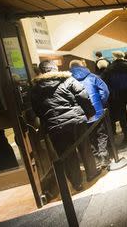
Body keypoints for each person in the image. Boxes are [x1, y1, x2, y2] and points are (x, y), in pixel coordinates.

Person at [31, 60, 99, 191]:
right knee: (85, 147)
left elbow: (37, 109)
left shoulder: (35, 89)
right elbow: (83, 96)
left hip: (55, 126)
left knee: (67, 154)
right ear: (55, 68)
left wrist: (48, 120)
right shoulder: (68, 80)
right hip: (76, 121)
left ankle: (76, 183)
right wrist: (90, 112)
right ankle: (91, 173)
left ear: (42, 71)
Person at [69, 60, 111, 168]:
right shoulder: (93, 76)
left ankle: (96, 159)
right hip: (97, 111)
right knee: (101, 135)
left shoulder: (68, 81)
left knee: (88, 138)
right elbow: (105, 91)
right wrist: (100, 103)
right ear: (82, 66)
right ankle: (104, 158)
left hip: (81, 114)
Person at [102, 51, 127, 145]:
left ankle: (126, 133)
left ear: (114, 57)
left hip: (117, 94)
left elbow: (105, 82)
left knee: (122, 114)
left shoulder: (109, 68)